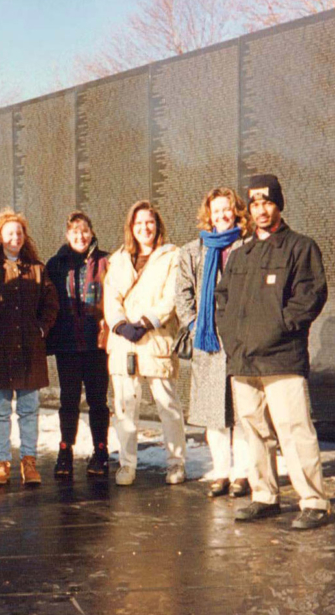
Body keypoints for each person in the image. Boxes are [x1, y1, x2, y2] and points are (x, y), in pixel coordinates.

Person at [214, 174, 331, 529]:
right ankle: (264, 495)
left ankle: (313, 501)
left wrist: (280, 327)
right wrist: (231, 336)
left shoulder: (300, 247)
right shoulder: (241, 253)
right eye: (254, 204)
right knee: (253, 430)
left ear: (278, 204)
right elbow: (223, 301)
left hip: (281, 357)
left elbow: (310, 297)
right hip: (243, 358)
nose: (261, 210)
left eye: (267, 202)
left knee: (293, 429)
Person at [0, 208, 59, 487]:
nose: (15, 237)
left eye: (19, 232)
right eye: (9, 232)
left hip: (30, 350)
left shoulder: (37, 268)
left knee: (29, 409)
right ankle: (0, 463)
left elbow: (51, 303)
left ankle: (29, 462)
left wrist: (42, 328)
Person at [104, 200, 187, 486]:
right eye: (138, 223)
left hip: (155, 340)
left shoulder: (172, 256)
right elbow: (111, 297)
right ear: (131, 227)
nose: (144, 228)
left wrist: (146, 322)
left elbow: (171, 297)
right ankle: (127, 465)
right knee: (126, 407)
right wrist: (122, 325)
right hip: (124, 343)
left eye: (149, 222)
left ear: (157, 224)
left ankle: (176, 463)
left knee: (167, 406)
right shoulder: (118, 259)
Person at [176, 187, 251, 499]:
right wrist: (196, 326)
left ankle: (242, 473)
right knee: (213, 415)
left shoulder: (248, 247)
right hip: (208, 342)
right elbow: (182, 295)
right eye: (216, 210)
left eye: (226, 209)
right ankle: (220, 471)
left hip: (241, 341)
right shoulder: (192, 251)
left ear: (236, 212)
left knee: (243, 413)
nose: (221, 215)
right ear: (208, 214)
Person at [45, 210, 111, 481]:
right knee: (68, 400)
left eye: (84, 230)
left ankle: (100, 450)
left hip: (97, 344)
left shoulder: (106, 261)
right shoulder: (56, 263)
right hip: (67, 345)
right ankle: (65, 450)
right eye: (75, 231)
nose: (80, 236)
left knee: (98, 400)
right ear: (67, 235)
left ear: (92, 232)